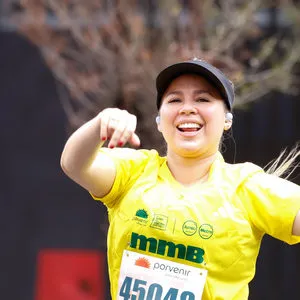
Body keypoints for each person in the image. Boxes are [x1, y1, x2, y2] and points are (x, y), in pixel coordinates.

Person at [60, 58, 300, 300]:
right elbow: (75, 165)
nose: (187, 108)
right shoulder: (133, 172)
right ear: (159, 121)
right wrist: (100, 123)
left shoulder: (246, 187)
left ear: (227, 119)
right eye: (175, 100)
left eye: (203, 99)